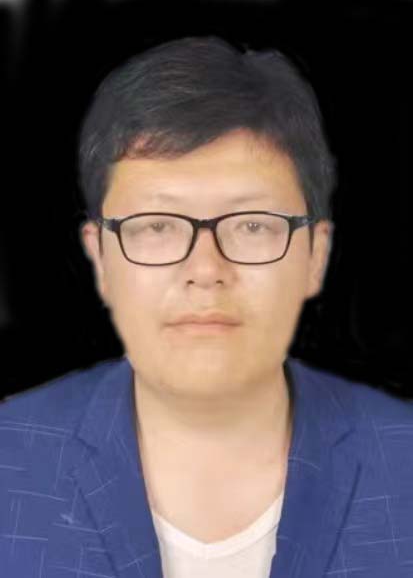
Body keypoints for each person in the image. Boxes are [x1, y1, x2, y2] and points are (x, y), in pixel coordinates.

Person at [1, 35, 412, 578]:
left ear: (316, 255)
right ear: (99, 257)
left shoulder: (404, 462)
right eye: (157, 226)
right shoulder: (9, 461)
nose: (205, 269)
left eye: (252, 225)